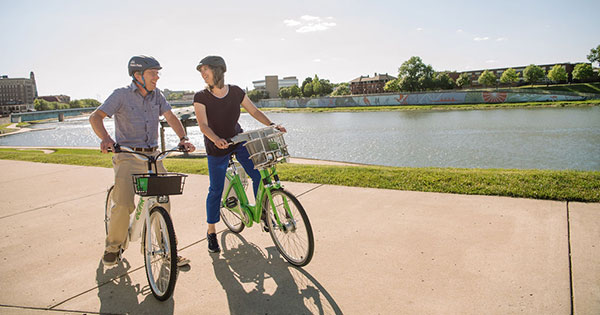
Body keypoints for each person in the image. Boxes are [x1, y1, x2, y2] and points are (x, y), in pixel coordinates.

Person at [89, 55, 196, 266]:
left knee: (162, 202)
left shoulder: (158, 95)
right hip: (128, 156)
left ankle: (167, 250)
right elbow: (96, 117)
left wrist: (183, 139)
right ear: (138, 75)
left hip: (153, 156)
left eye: (157, 73)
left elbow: (171, 117)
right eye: (153, 73)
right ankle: (113, 246)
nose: (157, 77)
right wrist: (106, 139)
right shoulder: (121, 95)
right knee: (123, 204)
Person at [193, 55, 286, 253]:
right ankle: (211, 232)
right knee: (215, 190)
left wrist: (271, 125)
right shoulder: (201, 97)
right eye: (200, 72)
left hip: (237, 141)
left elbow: (253, 111)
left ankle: (262, 213)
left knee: (259, 175)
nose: (203, 75)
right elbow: (203, 125)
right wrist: (216, 138)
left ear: (218, 70)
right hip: (216, 147)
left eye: (205, 70)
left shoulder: (235, 92)